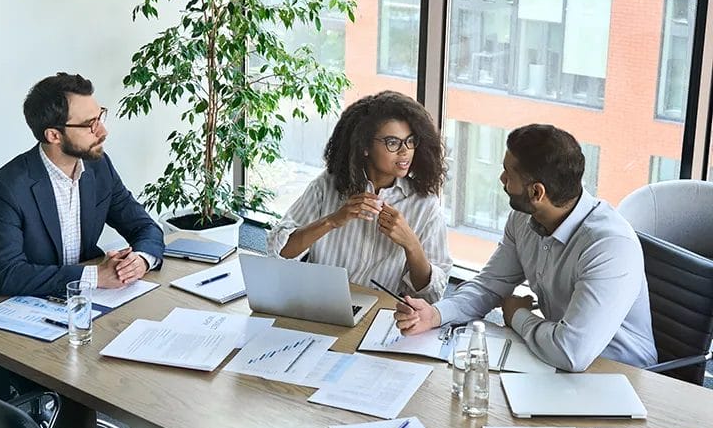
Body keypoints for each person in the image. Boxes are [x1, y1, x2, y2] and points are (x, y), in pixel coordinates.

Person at [394, 123, 658, 371]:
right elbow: (489, 286)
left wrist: (517, 314)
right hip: (552, 361)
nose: (501, 178)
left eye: (508, 174)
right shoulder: (524, 218)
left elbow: (571, 352)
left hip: (619, 375)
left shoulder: (608, 247)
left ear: (536, 193)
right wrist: (435, 314)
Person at [0, 72, 165, 297]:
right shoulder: (7, 188)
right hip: (32, 307)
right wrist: (94, 276)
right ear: (53, 135)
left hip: (90, 301)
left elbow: (144, 227)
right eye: (90, 124)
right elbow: (8, 275)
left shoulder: (99, 168)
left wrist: (140, 260)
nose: (102, 131)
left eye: (100, 118)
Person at [267, 91, 452, 303]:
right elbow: (279, 252)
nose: (405, 151)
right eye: (393, 142)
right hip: (317, 305)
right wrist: (332, 221)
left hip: (379, 317)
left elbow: (432, 295)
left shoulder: (425, 205)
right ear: (364, 146)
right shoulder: (328, 185)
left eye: (411, 141)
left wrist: (411, 245)